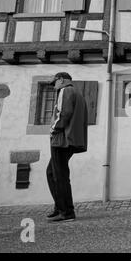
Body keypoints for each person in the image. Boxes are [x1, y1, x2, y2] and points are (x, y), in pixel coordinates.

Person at [46, 72, 88, 222]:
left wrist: (53, 129)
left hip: (62, 139)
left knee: (58, 175)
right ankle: (61, 207)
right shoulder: (78, 93)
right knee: (53, 173)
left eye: (54, 83)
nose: (54, 86)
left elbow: (64, 113)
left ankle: (66, 211)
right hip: (70, 139)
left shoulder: (65, 90)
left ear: (61, 79)